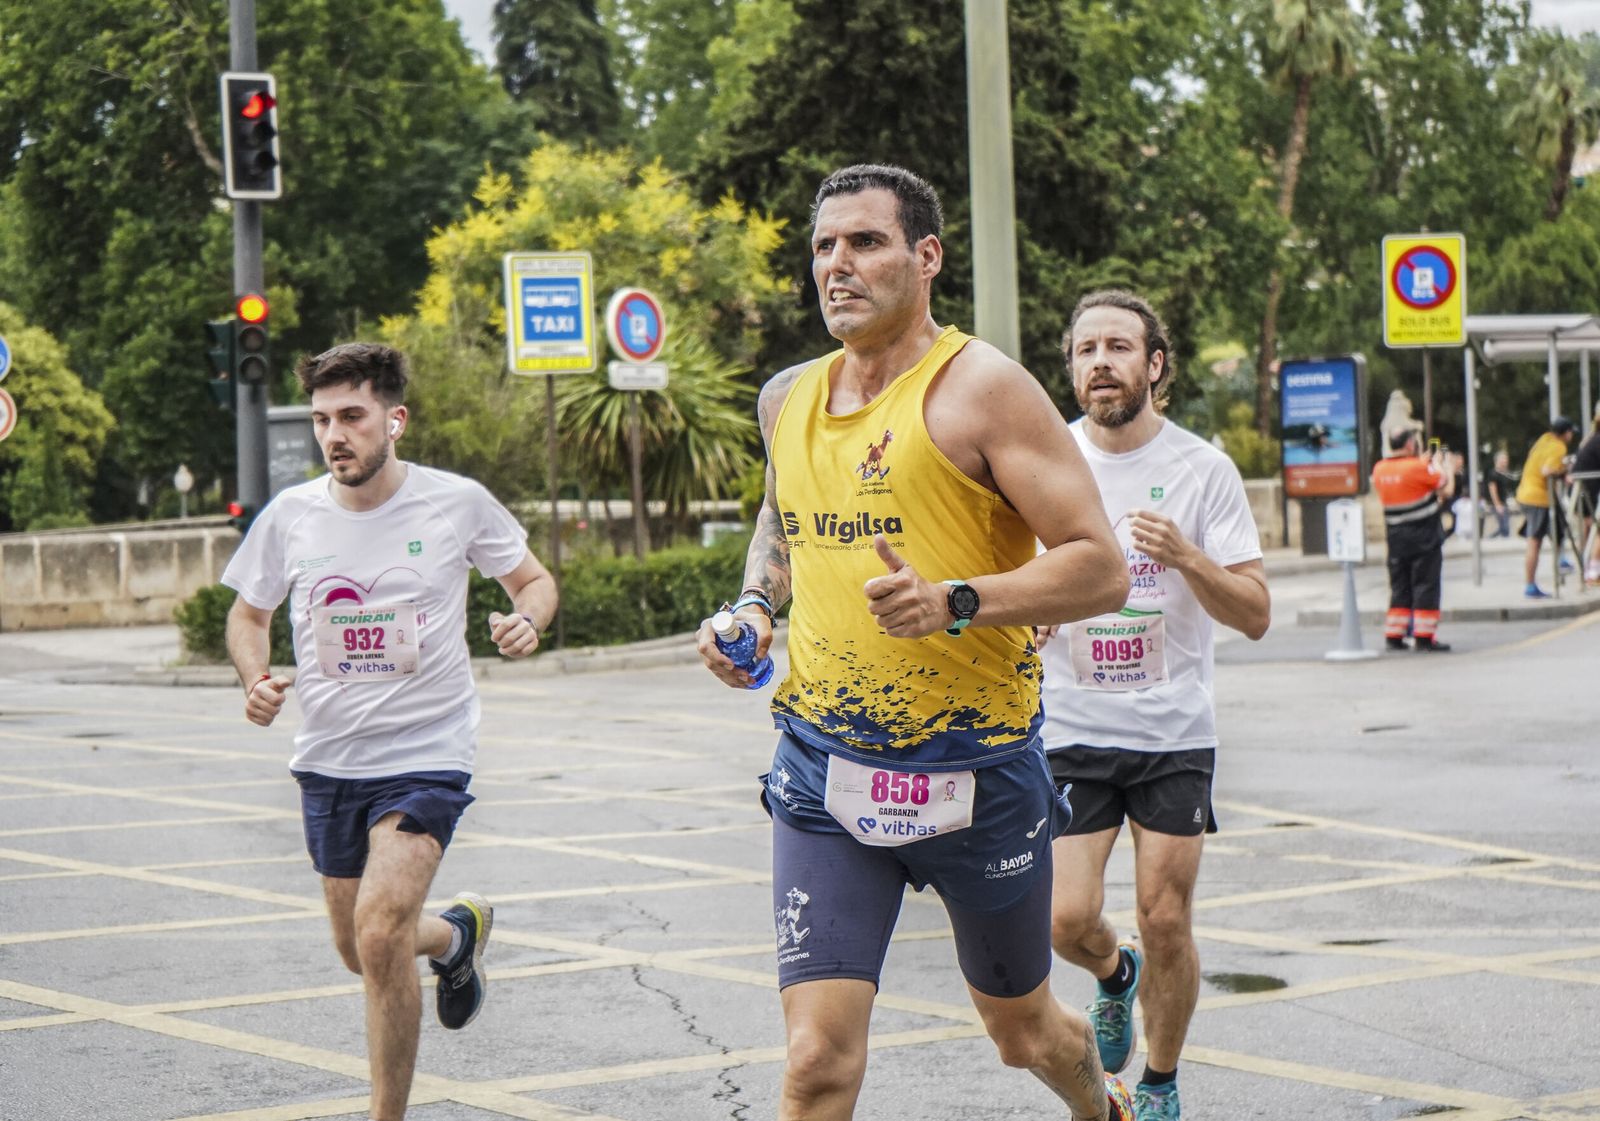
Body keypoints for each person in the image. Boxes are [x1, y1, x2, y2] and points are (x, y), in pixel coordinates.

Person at [697, 164, 1134, 1121]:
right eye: (822, 247)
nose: (836, 266)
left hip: (976, 769)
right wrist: (752, 612)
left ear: (926, 256)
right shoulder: (787, 399)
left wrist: (957, 601)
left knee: (1022, 1032)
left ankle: (1103, 1107)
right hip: (825, 767)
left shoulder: (983, 391)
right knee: (815, 1061)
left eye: (865, 242)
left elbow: (1101, 567)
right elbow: (783, 523)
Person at [222, 343, 557, 1121]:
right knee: (360, 948)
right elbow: (247, 612)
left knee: (378, 932)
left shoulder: (456, 502)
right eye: (322, 420)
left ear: (394, 420)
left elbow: (533, 580)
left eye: (352, 417)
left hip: (428, 753)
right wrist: (254, 678)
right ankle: (454, 938)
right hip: (331, 759)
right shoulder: (292, 517)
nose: (335, 435)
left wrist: (526, 621)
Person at [1035, 290, 1271, 1121]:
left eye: (1119, 347)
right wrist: (1027, 623)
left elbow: (1254, 614)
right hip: (1070, 724)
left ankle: (1162, 1082)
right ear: (1070, 367)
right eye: (1085, 348)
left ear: (1154, 363)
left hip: (1174, 730)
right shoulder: (1044, 461)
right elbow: (1014, 586)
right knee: (1065, 918)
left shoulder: (1204, 469)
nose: (1100, 361)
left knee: (1164, 918)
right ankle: (1112, 972)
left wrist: (1186, 555)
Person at [1371, 429, 1454, 651]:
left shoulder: (1379, 468)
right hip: (1423, 537)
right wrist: (1438, 463)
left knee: (1400, 586)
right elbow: (1443, 483)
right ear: (1410, 444)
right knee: (1425, 584)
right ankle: (1424, 637)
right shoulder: (1418, 467)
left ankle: (1394, 635)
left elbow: (1405, 484)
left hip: (1396, 539)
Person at [1516, 416, 1577, 598]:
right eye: (1571, 432)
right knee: (1534, 541)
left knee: (1558, 526)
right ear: (1566, 433)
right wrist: (1563, 470)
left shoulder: (1544, 440)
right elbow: (1546, 470)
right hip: (1538, 498)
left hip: (1526, 493)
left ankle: (1561, 560)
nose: (1572, 435)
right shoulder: (1559, 447)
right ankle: (1530, 585)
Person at [1573, 408, 1600, 583]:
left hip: (1581, 491)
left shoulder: (1590, 440)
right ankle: (1593, 571)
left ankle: (1585, 568)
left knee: (1589, 530)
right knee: (1597, 531)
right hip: (1589, 491)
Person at [1482, 450, 1516, 539]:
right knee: (1504, 527)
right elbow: (1492, 489)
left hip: (1504, 503)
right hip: (1497, 504)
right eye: (1503, 460)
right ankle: (1491, 538)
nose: (1505, 462)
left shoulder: (1505, 474)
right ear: (1497, 461)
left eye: (1506, 460)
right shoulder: (1493, 474)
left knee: (1504, 526)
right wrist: (1497, 504)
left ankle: (1492, 538)